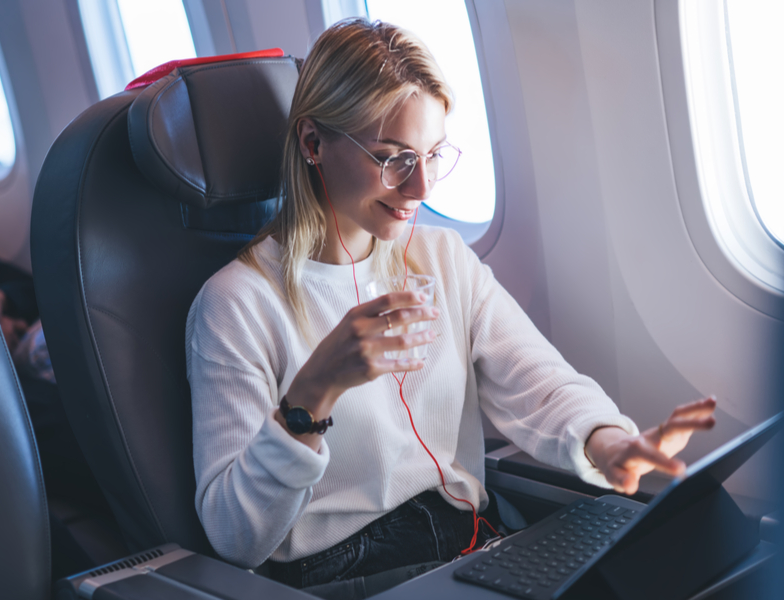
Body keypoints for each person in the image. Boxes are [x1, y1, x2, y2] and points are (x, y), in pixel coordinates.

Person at [185, 18, 716, 599]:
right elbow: (235, 536)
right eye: (392, 159)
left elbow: (538, 383)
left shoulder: (442, 259)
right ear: (313, 143)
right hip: (348, 577)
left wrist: (609, 443)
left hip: (473, 545)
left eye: (432, 155)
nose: (421, 190)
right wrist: (314, 392)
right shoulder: (236, 305)